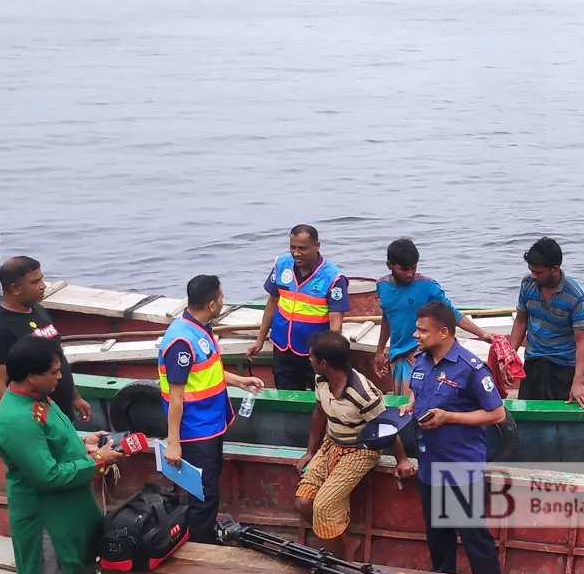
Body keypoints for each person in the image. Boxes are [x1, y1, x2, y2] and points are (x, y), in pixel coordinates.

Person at [0, 335, 123, 574]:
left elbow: (54, 440)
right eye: (54, 372)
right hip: (46, 519)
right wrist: (98, 460)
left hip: (75, 510)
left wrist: (86, 443)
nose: (61, 376)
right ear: (32, 376)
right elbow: (47, 475)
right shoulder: (17, 421)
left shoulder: (39, 398)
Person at [399, 301, 506, 574]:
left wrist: (449, 418)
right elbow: (418, 390)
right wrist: (412, 404)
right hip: (428, 463)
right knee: (437, 536)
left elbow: (497, 414)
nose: (416, 335)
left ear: (444, 332)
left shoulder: (470, 368)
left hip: (460, 465)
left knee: (473, 536)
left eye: (422, 331)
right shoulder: (421, 359)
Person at [159, 275, 265, 544]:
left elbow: (208, 371)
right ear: (211, 304)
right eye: (220, 296)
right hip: (195, 431)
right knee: (203, 494)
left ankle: (204, 535)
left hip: (212, 423)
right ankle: (200, 547)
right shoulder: (181, 341)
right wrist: (174, 442)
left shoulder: (200, 328)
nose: (222, 300)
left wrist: (239, 381)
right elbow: (176, 396)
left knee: (210, 488)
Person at [296, 331, 388, 561]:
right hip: (332, 443)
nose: (309, 360)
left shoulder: (363, 393)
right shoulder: (321, 380)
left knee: (324, 506)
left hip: (361, 450)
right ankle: (345, 543)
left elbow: (385, 428)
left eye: (312, 357)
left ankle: (338, 561)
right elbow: (319, 413)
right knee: (304, 502)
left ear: (323, 363)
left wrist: (403, 459)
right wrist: (310, 452)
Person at [373, 237, 496, 396]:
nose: (410, 274)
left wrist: (482, 334)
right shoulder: (382, 286)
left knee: (416, 400)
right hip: (398, 354)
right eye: (404, 270)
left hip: (422, 354)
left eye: (413, 268)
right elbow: (387, 317)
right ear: (389, 265)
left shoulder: (428, 286)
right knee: (403, 403)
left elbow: (451, 313)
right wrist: (380, 351)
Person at [0, 256, 93, 424]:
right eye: (34, 282)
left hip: (61, 413)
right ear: (15, 288)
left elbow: (58, 357)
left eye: (42, 279)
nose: (43, 286)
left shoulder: (39, 311)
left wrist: (75, 397)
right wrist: (19, 422)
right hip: (35, 418)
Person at [247, 224, 350, 391]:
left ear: (316, 246)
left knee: (322, 397)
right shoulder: (282, 264)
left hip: (314, 354)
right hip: (282, 346)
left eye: (302, 248)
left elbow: (336, 323)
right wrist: (259, 339)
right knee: (286, 394)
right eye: (292, 247)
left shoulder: (333, 277)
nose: (296, 253)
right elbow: (272, 302)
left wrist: (329, 357)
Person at [510, 236, 584, 408]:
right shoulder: (527, 285)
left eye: (538, 272)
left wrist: (577, 383)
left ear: (555, 269)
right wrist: (510, 356)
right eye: (531, 270)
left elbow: (581, 341)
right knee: (528, 410)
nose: (533, 276)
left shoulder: (575, 296)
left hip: (562, 366)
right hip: (533, 362)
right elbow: (520, 321)